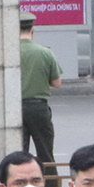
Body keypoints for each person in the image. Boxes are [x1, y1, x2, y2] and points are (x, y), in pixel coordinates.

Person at [19, 13, 63, 167]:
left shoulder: (10, 52)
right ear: (33, 30)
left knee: (19, 155)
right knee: (45, 153)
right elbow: (57, 83)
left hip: (16, 108)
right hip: (39, 108)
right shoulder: (45, 52)